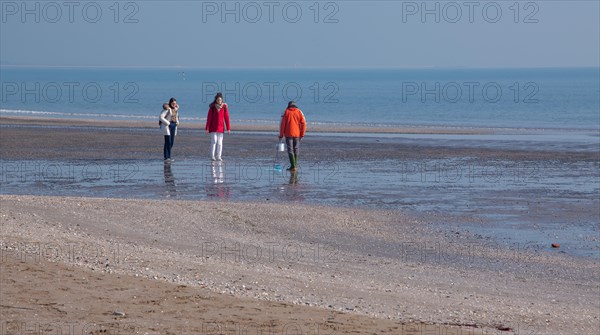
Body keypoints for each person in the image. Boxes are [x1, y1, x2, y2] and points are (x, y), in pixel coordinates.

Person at [279, 101, 306, 171]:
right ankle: (295, 166)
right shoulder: (299, 112)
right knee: (296, 149)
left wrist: (281, 135)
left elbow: (282, 124)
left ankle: (293, 166)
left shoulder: (286, 112)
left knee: (290, 150)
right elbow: (303, 124)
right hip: (297, 134)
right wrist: (302, 134)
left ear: (288, 106)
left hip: (288, 134)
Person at [205, 92, 231, 161]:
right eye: (218, 99)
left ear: (222, 100)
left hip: (221, 128)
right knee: (214, 141)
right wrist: (207, 128)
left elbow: (227, 118)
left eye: (220, 99)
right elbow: (209, 118)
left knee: (220, 143)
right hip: (213, 128)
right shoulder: (212, 107)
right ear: (216, 100)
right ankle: (212, 156)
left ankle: (219, 156)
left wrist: (228, 128)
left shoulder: (224, 107)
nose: (219, 101)